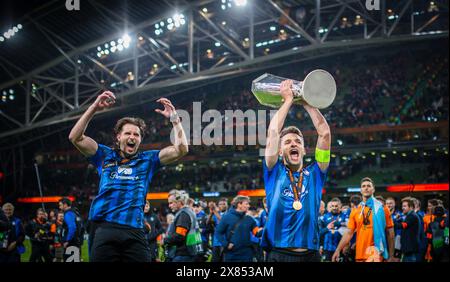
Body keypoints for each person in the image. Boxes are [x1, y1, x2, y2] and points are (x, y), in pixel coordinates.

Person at [68, 91, 188, 262]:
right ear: (118, 137)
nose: (132, 137)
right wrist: (94, 107)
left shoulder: (149, 160)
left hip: (134, 231)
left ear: (140, 140)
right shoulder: (104, 155)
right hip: (104, 228)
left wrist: (175, 120)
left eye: (136, 135)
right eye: (128, 133)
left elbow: (181, 150)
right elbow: (75, 137)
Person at [262, 80, 331, 262]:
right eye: (288, 142)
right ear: (279, 150)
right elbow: (273, 133)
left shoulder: (317, 173)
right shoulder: (273, 171)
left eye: (298, 142)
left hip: (311, 256)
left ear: (304, 150)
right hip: (279, 254)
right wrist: (288, 101)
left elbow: (324, 133)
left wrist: (307, 103)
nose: (293, 143)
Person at [332, 177, 395, 262]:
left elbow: (390, 233)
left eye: (369, 186)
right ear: (361, 190)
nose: (366, 188)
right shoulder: (355, 210)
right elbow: (349, 233)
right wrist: (338, 250)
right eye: (363, 186)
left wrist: (391, 256)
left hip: (376, 255)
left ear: (373, 189)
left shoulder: (382, 209)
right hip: (360, 255)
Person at [215, 196, 260, 262]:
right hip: (232, 254)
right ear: (239, 204)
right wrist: (226, 244)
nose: (248, 206)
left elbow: (256, 232)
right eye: (246, 204)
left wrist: (266, 228)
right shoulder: (227, 217)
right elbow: (218, 232)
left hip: (247, 254)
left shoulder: (249, 219)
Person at [164, 190, 203, 262]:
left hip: (183, 254)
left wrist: (165, 240)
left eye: (171, 203)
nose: (169, 206)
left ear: (179, 202)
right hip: (189, 252)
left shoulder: (183, 214)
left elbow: (179, 236)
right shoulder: (189, 211)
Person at [395, 197, 420, 262]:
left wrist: (391, 221)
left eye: (405, 206)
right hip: (408, 248)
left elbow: (402, 226)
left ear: (411, 207)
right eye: (402, 206)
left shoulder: (412, 216)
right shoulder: (410, 215)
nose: (402, 208)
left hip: (410, 248)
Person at [58, 197, 82, 262]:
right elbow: (81, 228)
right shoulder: (76, 213)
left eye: (60, 205)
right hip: (76, 242)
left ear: (65, 204)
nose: (59, 207)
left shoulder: (68, 213)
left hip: (71, 243)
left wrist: (67, 240)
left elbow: (72, 227)